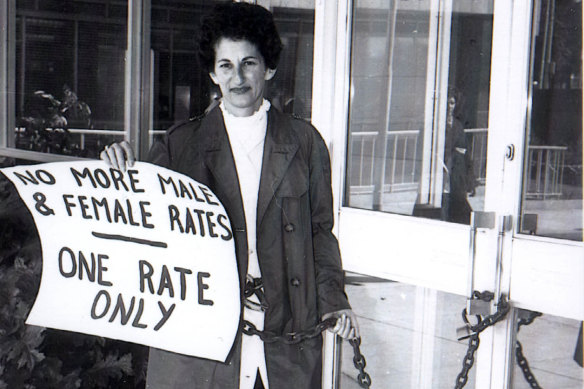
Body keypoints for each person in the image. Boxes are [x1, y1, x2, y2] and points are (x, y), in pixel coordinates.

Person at [101, 3, 359, 389]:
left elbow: (321, 232)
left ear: (268, 67)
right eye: (225, 65)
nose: (237, 77)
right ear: (212, 73)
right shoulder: (179, 146)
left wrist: (334, 299)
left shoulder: (305, 143)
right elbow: (141, 228)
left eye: (249, 63)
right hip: (204, 346)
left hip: (284, 340)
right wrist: (116, 172)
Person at [441, 87, 477, 224]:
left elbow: (466, 154)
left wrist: (470, 180)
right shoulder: (435, 125)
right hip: (442, 175)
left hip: (457, 176)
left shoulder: (458, 125)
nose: (449, 107)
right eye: (446, 103)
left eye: (451, 103)